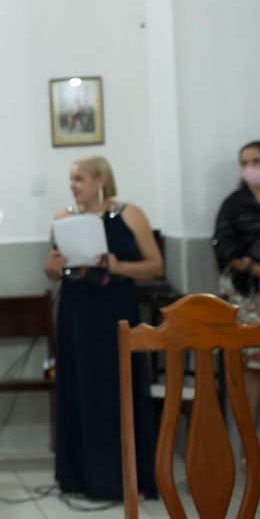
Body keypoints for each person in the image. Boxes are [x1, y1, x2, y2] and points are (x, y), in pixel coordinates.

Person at [44, 155, 162, 501]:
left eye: (79, 178)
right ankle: (80, 478)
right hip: (77, 310)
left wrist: (117, 264)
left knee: (118, 386)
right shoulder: (63, 218)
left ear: (100, 180)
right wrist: (52, 266)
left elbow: (155, 265)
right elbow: (51, 272)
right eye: (71, 179)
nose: (73, 185)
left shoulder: (129, 214)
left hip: (116, 308)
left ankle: (129, 478)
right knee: (80, 386)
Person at [212, 140, 260, 444]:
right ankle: (247, 445)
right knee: (252, 367)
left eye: (257, 161)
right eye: (245, 163)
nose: (251, 169)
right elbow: (224, 246)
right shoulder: (235, 204)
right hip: (251, 294)